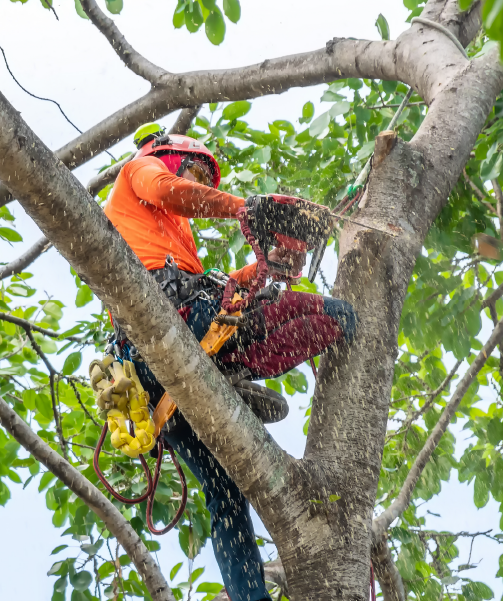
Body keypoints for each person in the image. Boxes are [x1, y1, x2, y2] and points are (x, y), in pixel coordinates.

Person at [102, 123, 357, 601]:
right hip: (161, 335)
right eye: (196, 172)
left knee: (226, 493)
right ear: (172, 155)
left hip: (186, 362)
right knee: (218, 299)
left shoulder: (179, 240)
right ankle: (229, 377)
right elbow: (168, 190)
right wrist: (245, 208)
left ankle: (250, 598)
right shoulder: (142, 170)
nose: (200, 184)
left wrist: (268, 267)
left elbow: (224, 289)